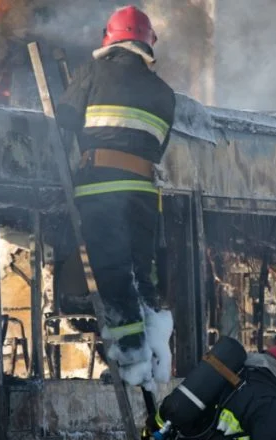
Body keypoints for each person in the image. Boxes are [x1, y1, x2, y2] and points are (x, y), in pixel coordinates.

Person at [54, 4, 177, 389]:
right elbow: (157, 148)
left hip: (100, 188)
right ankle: (156, 356)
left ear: (110, 40)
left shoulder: (92, 73)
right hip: (143, 195)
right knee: (141, 274)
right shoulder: (165, 94)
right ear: (146, 44)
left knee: (112, 273)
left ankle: (133, 359)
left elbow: (64, 121)